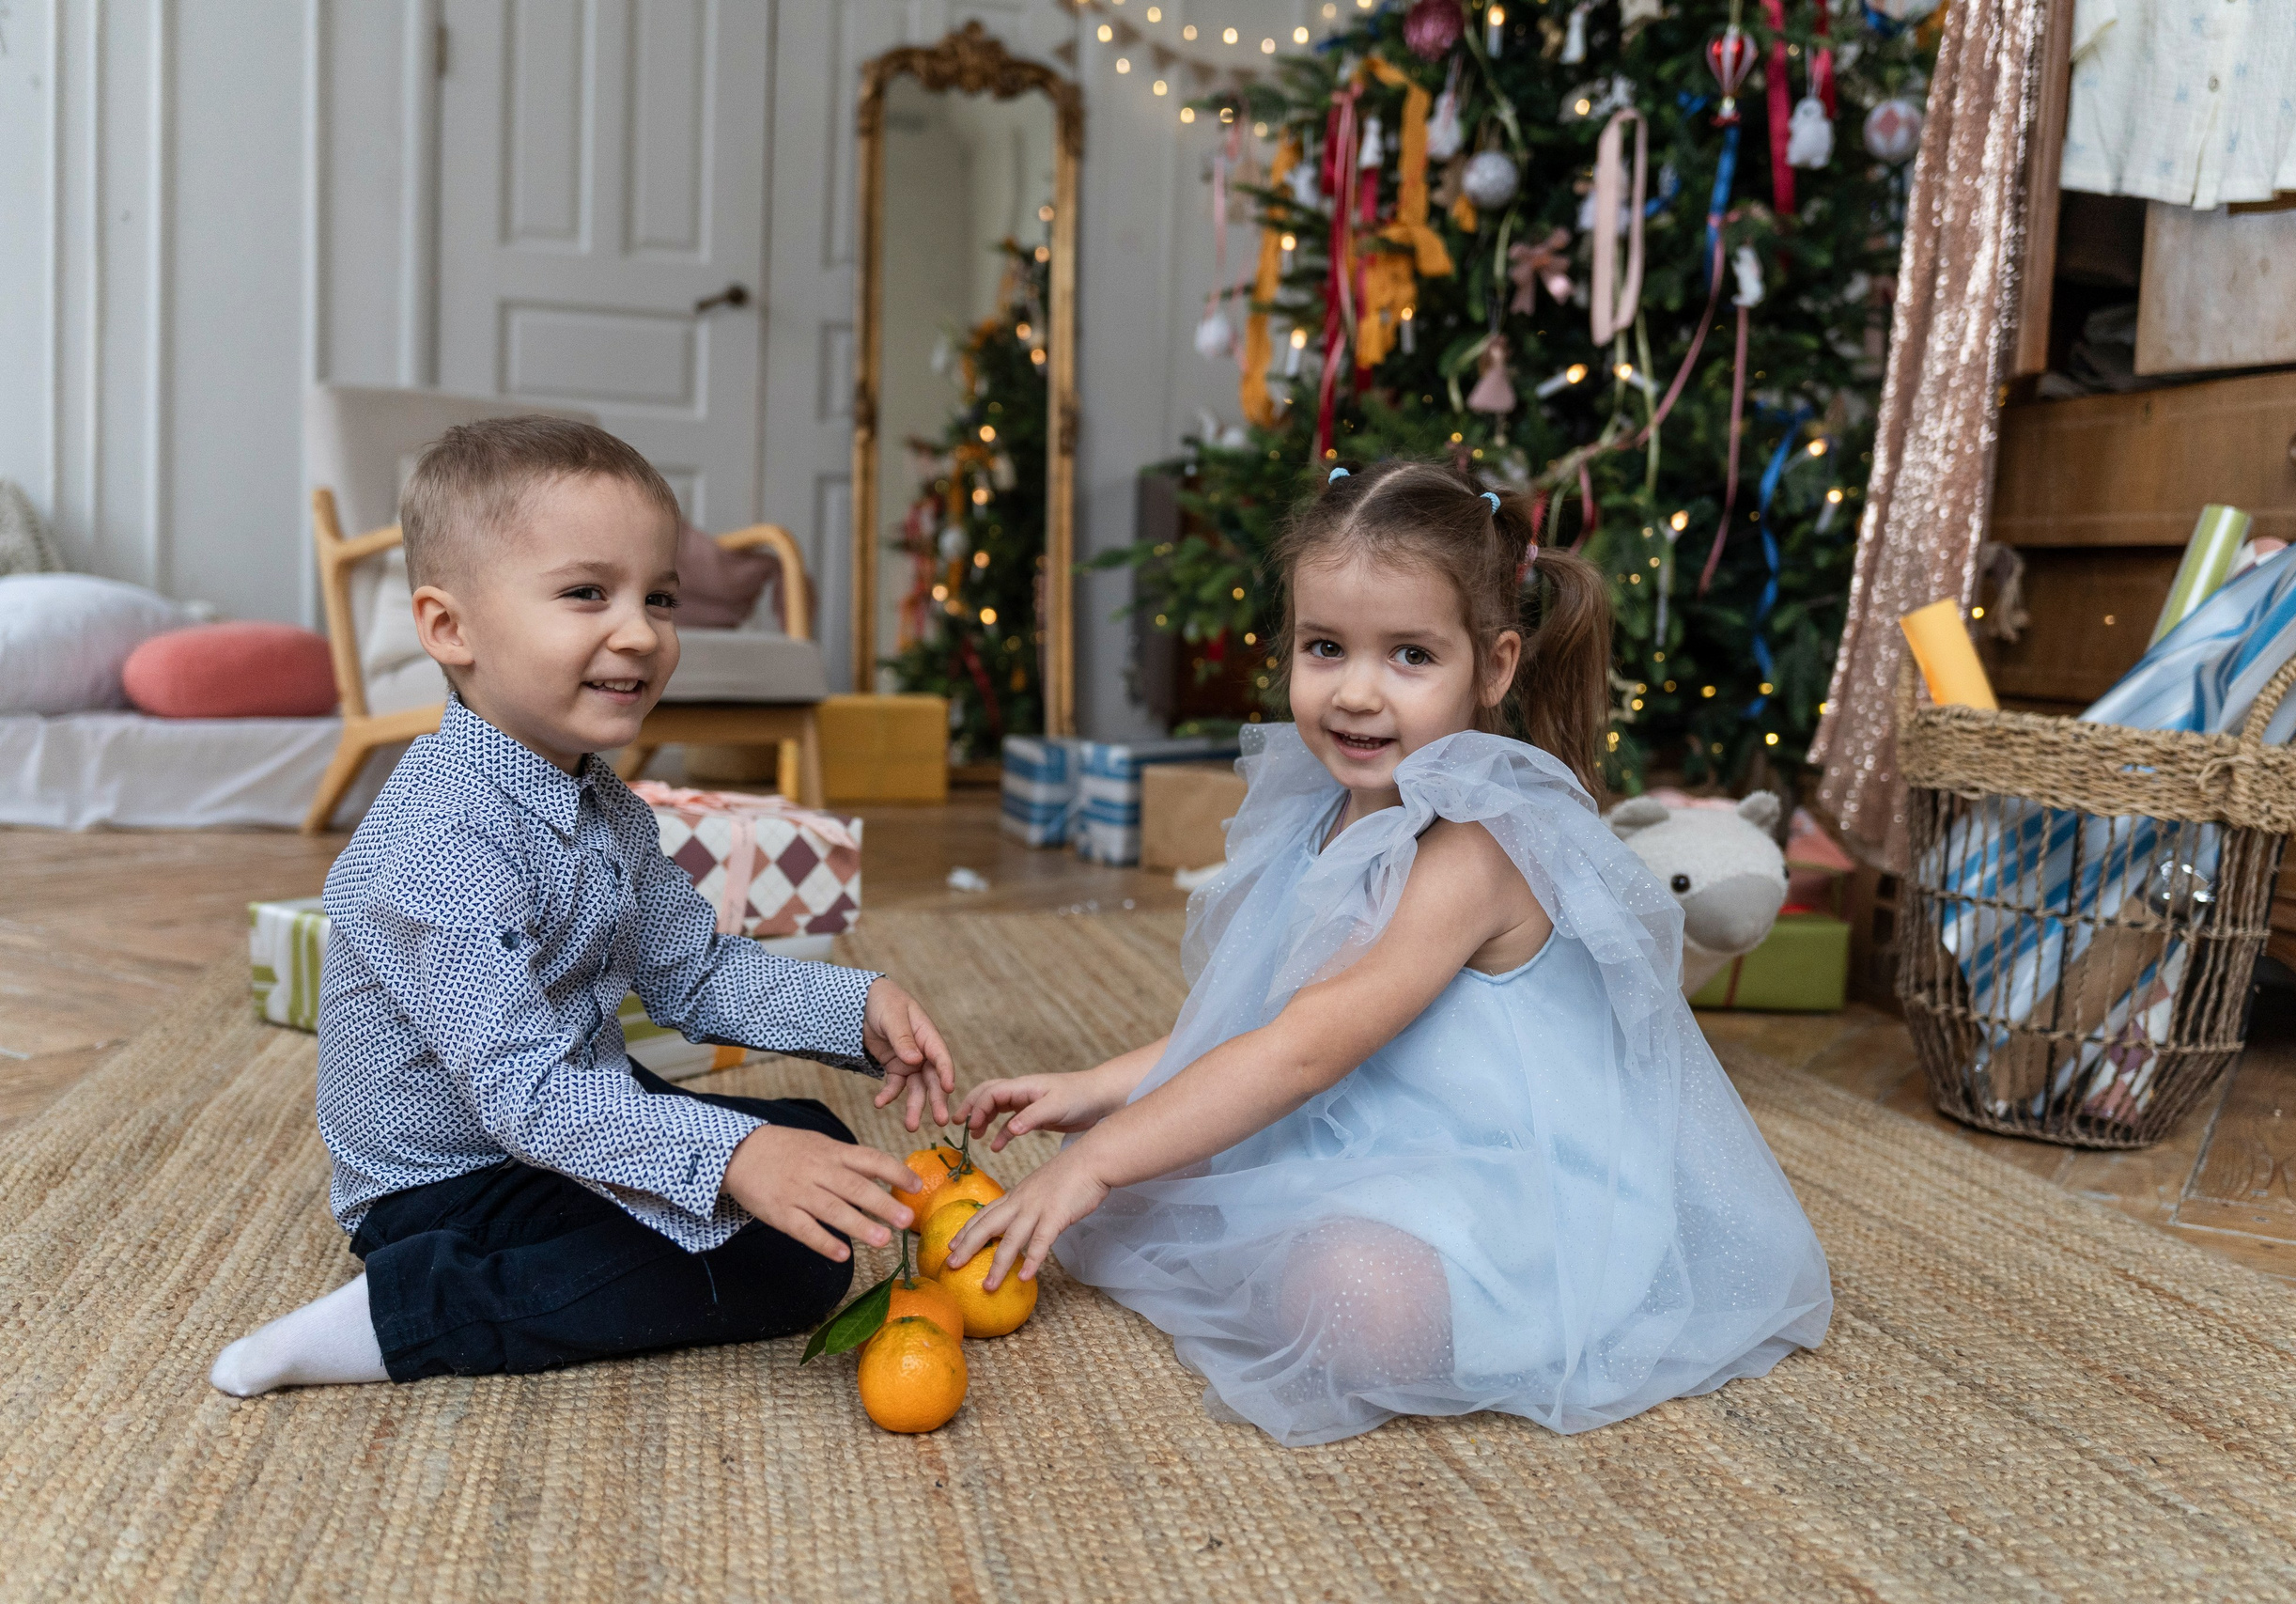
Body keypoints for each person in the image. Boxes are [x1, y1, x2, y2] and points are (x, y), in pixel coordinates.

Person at [949, 459, 1832, 1446]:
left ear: (1493, 666)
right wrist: (1100, 1089)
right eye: (1325, 648)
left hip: (1508, 1184)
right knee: (1156, 1166)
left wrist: (1102, 1163)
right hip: (1369, 1125)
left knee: (1350, 1302)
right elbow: (1266, 1019)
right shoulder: (1326, 811)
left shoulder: (1474, 850)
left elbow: (1305, 1051)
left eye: (1410, 656)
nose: (1357, 693)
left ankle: (1435, 1296)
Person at [210, 417, 953, 1395]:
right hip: (450, 1183)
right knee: (790, 1258)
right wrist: (735, 1155)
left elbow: (695, 971)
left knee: (815, 1145)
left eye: (660, 599)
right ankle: (410, 1313)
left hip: (565, 1113)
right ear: (449, 628)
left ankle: (707, 1187)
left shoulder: (601, 802)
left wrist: (852, 1008)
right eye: (586, 594)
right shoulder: (440, 840)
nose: (640, 632)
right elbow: (523, 1096)